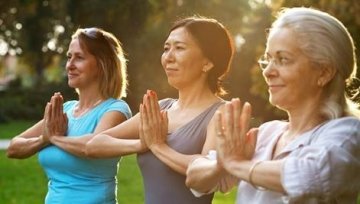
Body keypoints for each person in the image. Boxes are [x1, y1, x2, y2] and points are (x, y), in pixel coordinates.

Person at [185, 7, 360, 203]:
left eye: (283, 59)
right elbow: (194, 177)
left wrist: (235, 164)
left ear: (324, 72)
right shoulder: (267, 134)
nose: (268, 71)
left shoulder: (347, 132)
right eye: (268, 60)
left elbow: (311, 176)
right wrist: (221, 163)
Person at [85, 16, 235, 204]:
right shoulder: (160, 108)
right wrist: (141, 144)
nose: (168, 57)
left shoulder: (221, 113)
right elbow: (94, 145)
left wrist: (158, 146)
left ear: (208, 62)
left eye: (179, 48)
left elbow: (207, 170)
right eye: (166, 48)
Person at [6, 27, 132, 204]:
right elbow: (13, 148)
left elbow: (92, 146)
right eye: (69, 57)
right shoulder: (65, 110)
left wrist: (55, 138)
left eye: (79, 57)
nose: (70, 65)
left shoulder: (115, 110)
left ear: (103, 64)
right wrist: (44, 139)